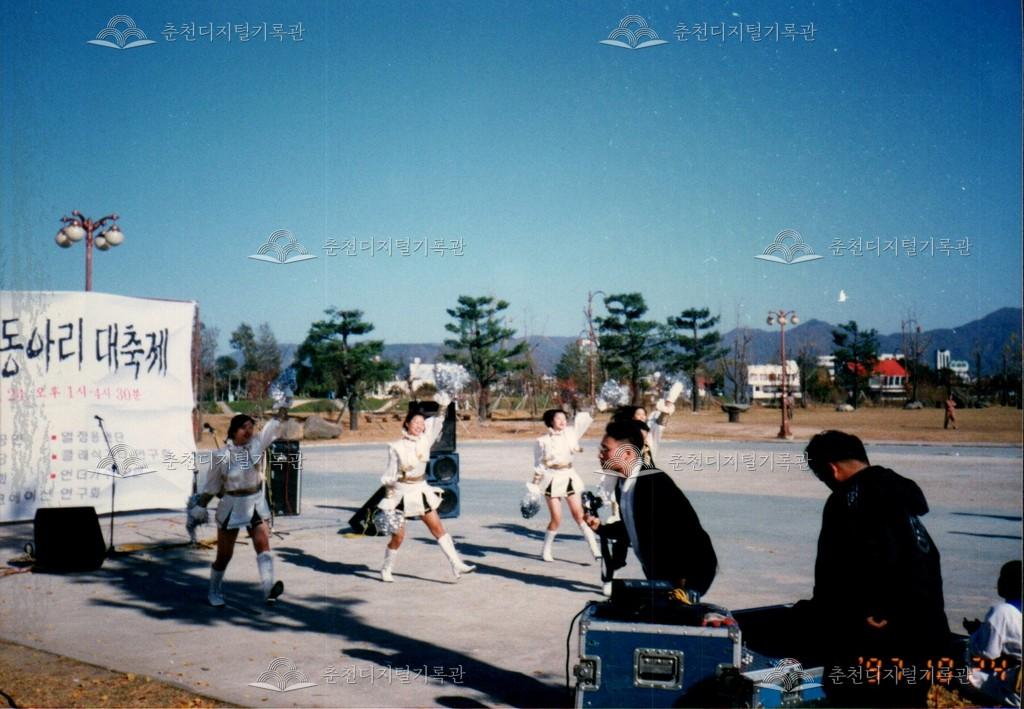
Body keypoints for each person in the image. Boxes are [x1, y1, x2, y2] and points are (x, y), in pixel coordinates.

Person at [801, 430, 949, 706]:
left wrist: (875, 609)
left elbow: (840, 569)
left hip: (881, 640)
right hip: (926, 630)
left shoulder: (849, 498)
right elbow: (923, 559)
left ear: (831, 469)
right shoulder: (898, 495)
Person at [584, 420, 717, 597]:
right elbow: (633, 526)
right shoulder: (622, 484)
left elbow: (681, 531)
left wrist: (681, 581)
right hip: (660, 571)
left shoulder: (653, 483)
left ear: (627, 453)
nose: (600, 455)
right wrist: (601, 528)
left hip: (688, 570)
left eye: (605, 449)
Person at [189, 409, 288, 607]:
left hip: (255, 502)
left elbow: (271, 429)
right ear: (234, 431)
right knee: (224, 556)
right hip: (231, 506)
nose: (249, 431)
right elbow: (212, 486)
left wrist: (281, 410)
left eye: (251, 427)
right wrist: (201, 505)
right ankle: (214, 591)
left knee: (263, 546)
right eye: (244, 428)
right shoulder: (221, 455)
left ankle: (268, 588)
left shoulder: (257, 445)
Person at [378, 394, 475, 582]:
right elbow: (390, 474)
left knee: (438, 528)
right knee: (398, 537)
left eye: (422, 423)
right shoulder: (395, 447)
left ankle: (456, 563)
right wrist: (389, 502)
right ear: (407, 424)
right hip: (401, 493)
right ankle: (386, 568)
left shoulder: (425, 440)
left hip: (420, 490)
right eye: (415, 422)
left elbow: (437, 422)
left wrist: (443, 408)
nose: (419, 426)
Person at [529, 408, 600, 562]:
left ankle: (595, 549)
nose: (562, 421)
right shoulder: (542, 441)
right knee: (556, 518)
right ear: (551, 421)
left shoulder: (571, 433)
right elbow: (539, 465)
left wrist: (598, 407)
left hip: (569, 476)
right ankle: (545, 550)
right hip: (551, 478)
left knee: (579, 515)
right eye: (558, 418)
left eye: (564, 418)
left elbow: (585, 420)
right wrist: (534, 487)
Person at [964, 560, 1022, 707]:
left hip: (1013, 686)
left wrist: (976, 635)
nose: (998, 582)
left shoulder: (1002, 611)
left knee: (961, 673)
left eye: (1002, 577)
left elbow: (987, 653)